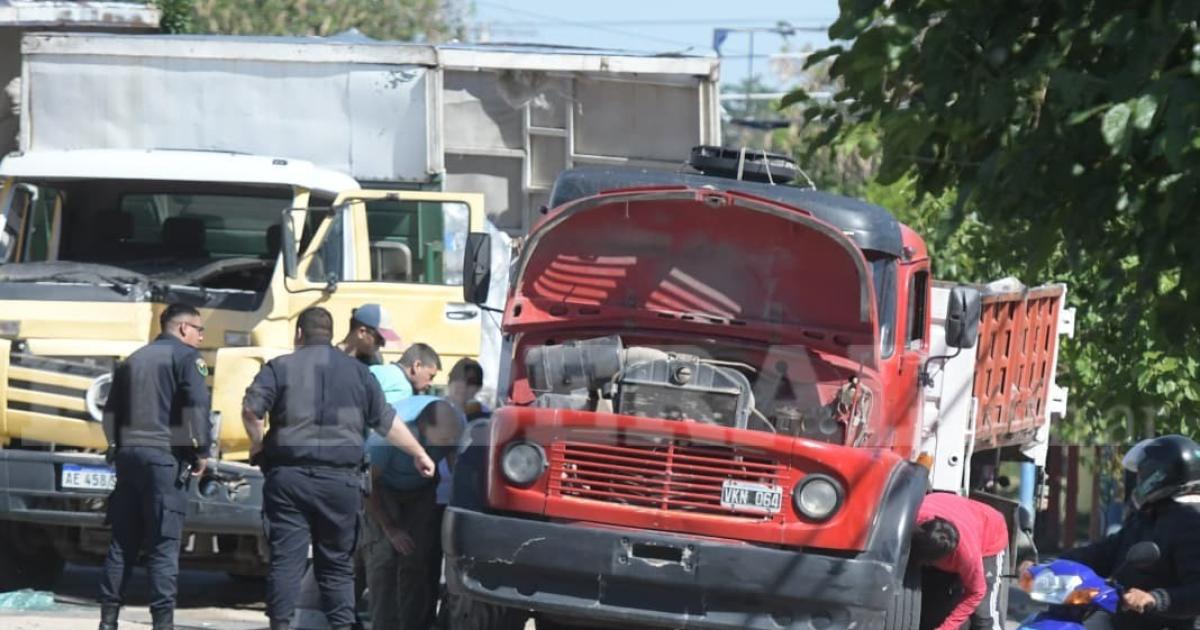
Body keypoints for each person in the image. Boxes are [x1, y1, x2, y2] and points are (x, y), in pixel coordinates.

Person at [241, 307, 436, 630]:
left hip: (288, 479)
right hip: (340, 484)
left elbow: (251, 411)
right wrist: (418, 453)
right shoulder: (360, 374)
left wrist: (258, 443)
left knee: (286, 563)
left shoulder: (280, 367)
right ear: (331, 335)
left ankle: (280, 625)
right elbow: (386, 422)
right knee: (337, 567)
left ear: (299, 334)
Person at [99, 303, 213, 630]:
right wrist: (202, 450)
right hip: (164, 459)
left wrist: (116, 446)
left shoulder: (133, 359)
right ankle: (162, 625)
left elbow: (110, 413)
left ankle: (108, 622)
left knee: (121, 544)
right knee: (163, 547)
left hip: (129, 457)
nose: (201, 336)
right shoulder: (187, 358)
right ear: (182, 329)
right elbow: (197, 404)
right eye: (199, 329)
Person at [1056, 434, 1200, 630]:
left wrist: (1154, 599)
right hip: (1124, 619)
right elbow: (1108, 551)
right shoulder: (1149, 514)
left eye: (1141, 474)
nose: (1137, 481)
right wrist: (1054, 564)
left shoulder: (1191, 523)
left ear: (1157, 474)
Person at [364, 394, 464, 630]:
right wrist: (391, 528)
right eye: (444, 438)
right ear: (422, 428)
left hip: (421, 490)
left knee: (417, 559)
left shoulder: (453, 425)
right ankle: (384, 625)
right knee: (383, 558)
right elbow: (367, 487)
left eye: (452, 438)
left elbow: (456, 467)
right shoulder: (385, 439)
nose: (449, 441)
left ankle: (414, 624)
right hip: (381, 490)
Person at [912, 492, 1009, 630]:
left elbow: (976, 593)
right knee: (932, 604)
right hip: (948, 508)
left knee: (983, 614)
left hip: (991, 536)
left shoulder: (967, 554)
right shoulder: (911, 521)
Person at [337, 303, 401, 365]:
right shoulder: (331, 360)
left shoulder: (375, 360)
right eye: (380, 339)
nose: (382, 345)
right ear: (362, 332)